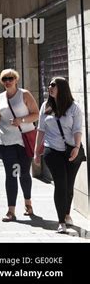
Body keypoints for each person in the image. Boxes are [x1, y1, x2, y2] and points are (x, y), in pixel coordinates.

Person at [0, 69, 40, 222]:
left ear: (16, 80)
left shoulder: (25, 95)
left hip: (24, 142)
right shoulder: (0, 98)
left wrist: (21, 120)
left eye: (10, 78)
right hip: (6, 143)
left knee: (24, 173)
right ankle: (11, 211)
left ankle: (28, 203)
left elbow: (36, 114)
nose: (7, 81)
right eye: (4, 79)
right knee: (11, 175)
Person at [34, 77, 85, 233]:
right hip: (52, 150)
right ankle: (61, 221)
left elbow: (77, 129)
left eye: (53, 85)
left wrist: (76, 147)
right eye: (49, 85)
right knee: (60, 184)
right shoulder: (45, 106)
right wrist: (37, 152)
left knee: (69, 186)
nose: (50, 87)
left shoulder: (73, 108)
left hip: (72, 150)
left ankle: (67, 213)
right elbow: (41, 130)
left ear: (62, 88)